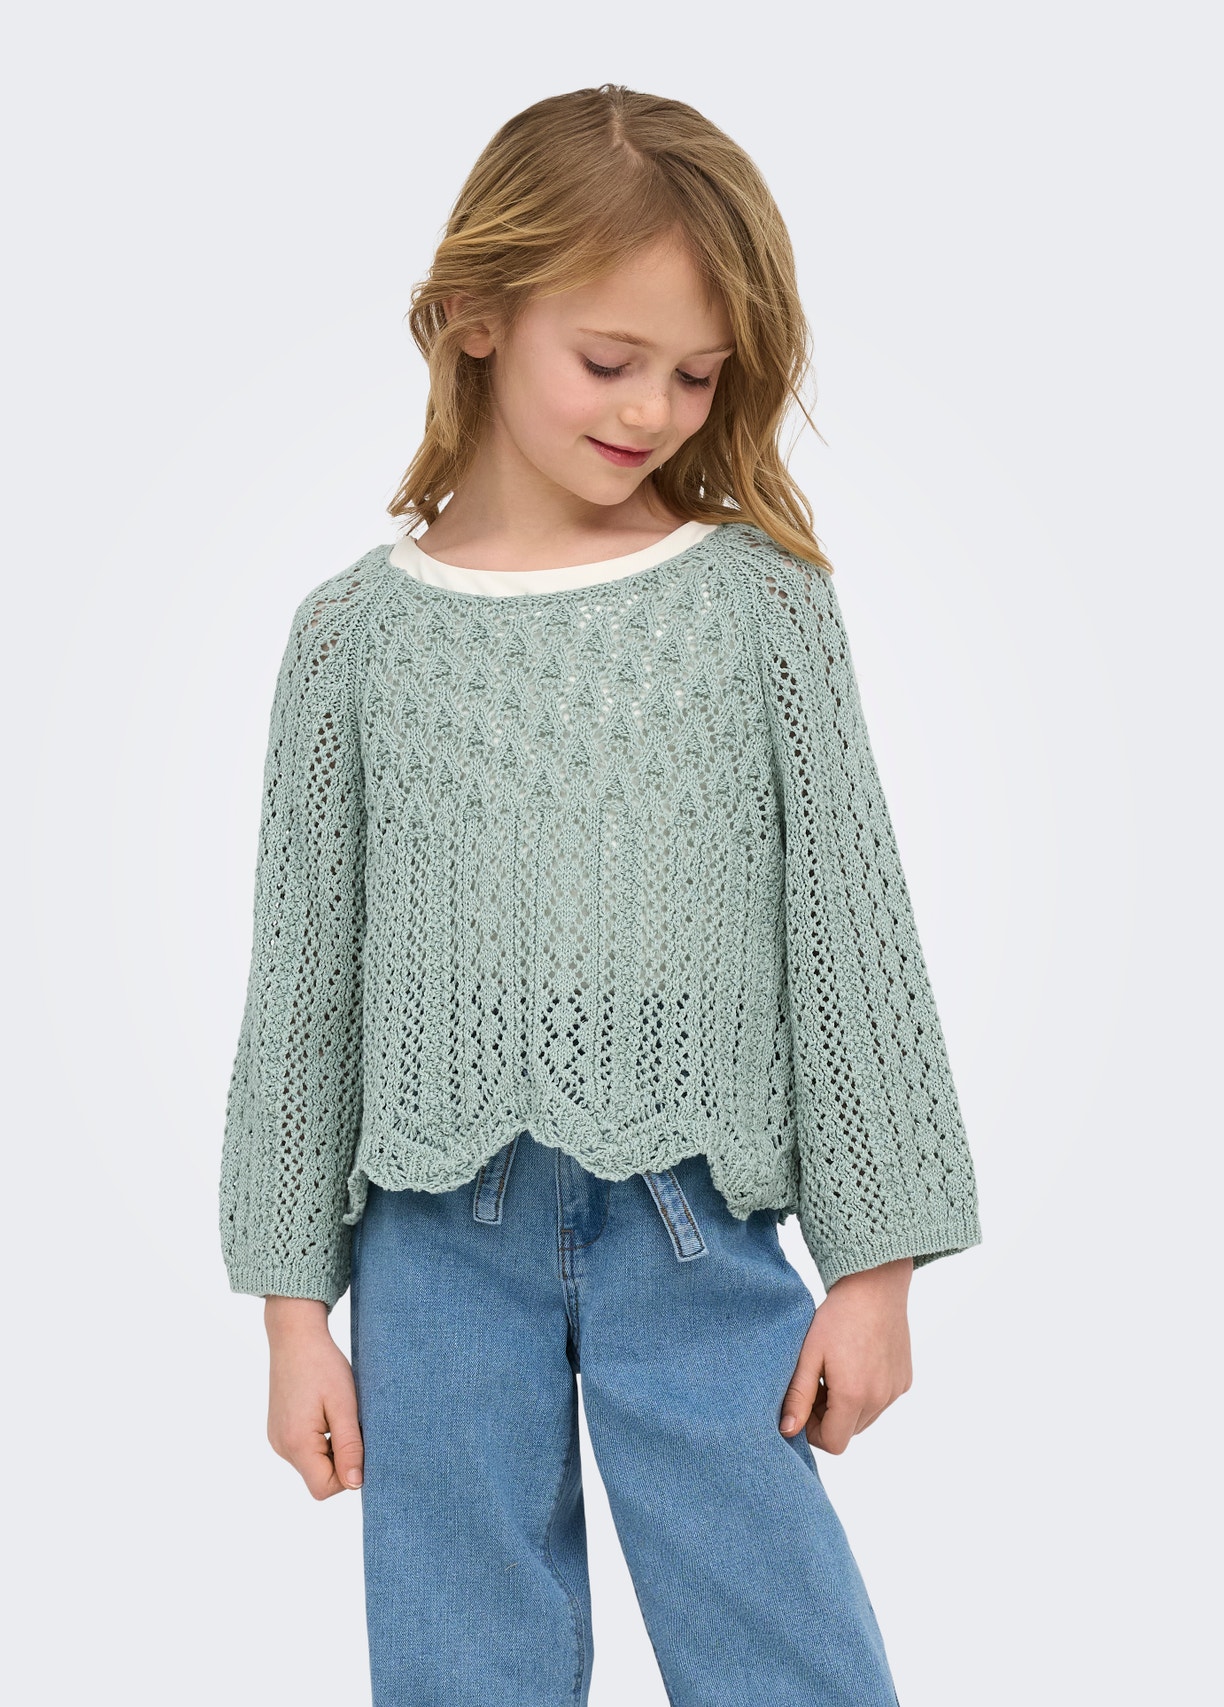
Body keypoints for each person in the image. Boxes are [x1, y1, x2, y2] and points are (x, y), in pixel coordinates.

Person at [219, 82, 982, 1706]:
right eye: (612, 360)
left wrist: (879, 1270)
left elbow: (849, 932)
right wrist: (293, 1318)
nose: (654, 409)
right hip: (432, 1245)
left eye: (697, 375)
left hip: (693, 1226)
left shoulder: (761, 609)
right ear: (476, 315)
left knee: (785, 1656)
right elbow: (304, 988)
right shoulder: (352, 638)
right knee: (461, 1665)